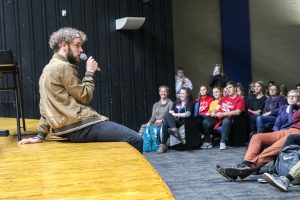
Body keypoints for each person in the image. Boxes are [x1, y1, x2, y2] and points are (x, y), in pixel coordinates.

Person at [17, 27, 143, 152]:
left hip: (70, 129)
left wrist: (40, 135)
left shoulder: (47, 69)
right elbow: (85, 97)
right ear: (64, 45)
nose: (81, 50)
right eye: (77, 45)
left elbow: (45, 106)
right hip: (81, 127)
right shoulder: (63, 67)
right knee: (136, 139)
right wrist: (89, 72)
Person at [214, 101, 300, 181]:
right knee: (257, 137)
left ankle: (242, 171)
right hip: (290, 129)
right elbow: (293, 118)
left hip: (297, 135)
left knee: (272, 149)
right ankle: (246, 164)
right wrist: (294, 106)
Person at [202, 81, 245, 150]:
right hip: (219, 117)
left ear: (235, 88)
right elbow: (217, 108)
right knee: (206, 121)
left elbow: (238, 112)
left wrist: (223, 114)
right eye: (227, 88)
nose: (228, 90)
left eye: (230, 88)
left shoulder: (240, 98)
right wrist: (214, 112)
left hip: (229, 117)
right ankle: (207, 142)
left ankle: (222, 142)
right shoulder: (224, 98)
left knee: (226, 120)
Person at [157, 87, 193, 154]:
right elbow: (170, 113)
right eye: (180, 93)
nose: (181, 95)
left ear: (187, 94)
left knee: (166, 119)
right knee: (166, 119)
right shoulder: (177, 102)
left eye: (183, 93)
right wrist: (162, 120)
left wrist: (176, 114)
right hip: (174, 122)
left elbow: (188, 114)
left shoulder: (189, 103)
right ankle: (173, 130)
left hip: (184, 122)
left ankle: (163, 145)